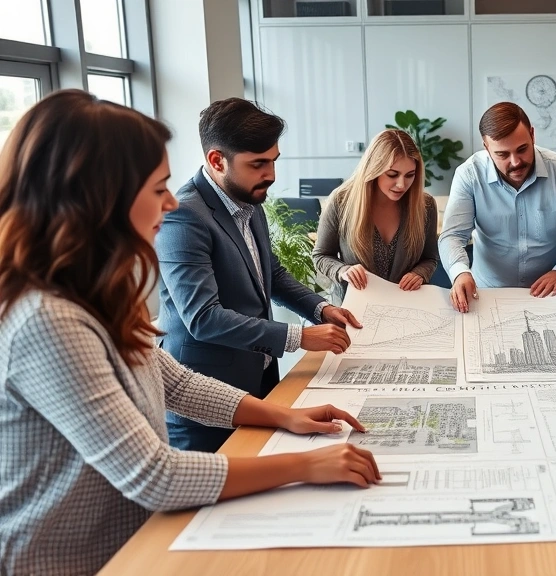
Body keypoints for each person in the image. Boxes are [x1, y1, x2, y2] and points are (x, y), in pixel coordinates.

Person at [0, 90, 380, 576]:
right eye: (157, 187)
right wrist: (307, 465)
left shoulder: (93, 292)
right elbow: (154, 475)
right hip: (64, 562)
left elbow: (175, 383)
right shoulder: (48, 319)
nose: (169, 201)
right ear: (99, 198)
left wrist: (284, 415)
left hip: (126, 546)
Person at [155, 98, 362, 453]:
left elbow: (271, 274)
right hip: (204, 402)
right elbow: (203, 318)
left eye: (273, 161)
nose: (271, 174)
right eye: (258, 164)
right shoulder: (184, 216)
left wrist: (320, 309)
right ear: (217, 160)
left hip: (259, 378)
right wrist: (299, 336)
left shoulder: (248, 198)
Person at [439, 102, 556, 312]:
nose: (515, 162)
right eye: (502, 154)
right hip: (488, 293)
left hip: (551, 293)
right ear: (486, 147)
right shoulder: (469, 175)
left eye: (522, 149)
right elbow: (452, 236)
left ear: (532, 135)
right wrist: (460, 272)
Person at [313, 129, 439, 303]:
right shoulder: (341, 201)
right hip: (354, 308)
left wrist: (420, 273)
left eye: (410, 175)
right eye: (392, 174)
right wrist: (343, 271)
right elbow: (321, 256)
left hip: (406, 306)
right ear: (374, 169)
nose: (401, 184)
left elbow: (430, 258)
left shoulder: (425, 206)